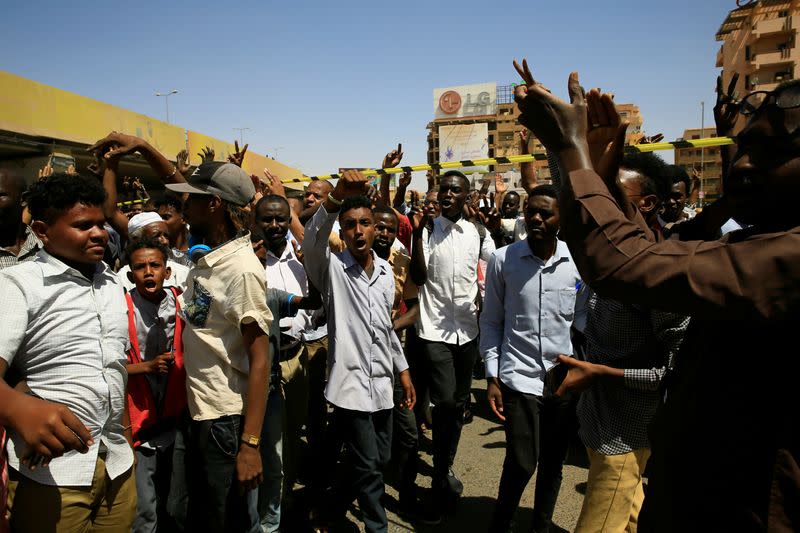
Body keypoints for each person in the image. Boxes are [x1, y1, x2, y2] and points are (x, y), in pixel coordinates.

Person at [512, 60, 800, 531]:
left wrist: (569, 146)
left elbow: (625, 261)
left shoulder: (786, 260)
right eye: (742, 148)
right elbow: (649, 249)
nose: (745, 164)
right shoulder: (755, 242)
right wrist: (595, 168)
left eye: (770, 151)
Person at [0, 172, 136, 531]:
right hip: (50, 476)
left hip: (118, 466)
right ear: (43, 231)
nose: (99, 233)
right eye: (82, 225)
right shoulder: (18, 284)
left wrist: (127, 441)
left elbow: (113, 369)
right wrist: (18, 410)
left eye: (102, 223)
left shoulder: (110, 281)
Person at [302, 171, 415, 533]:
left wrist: (403, 370)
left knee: (379, 459)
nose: (359, 231)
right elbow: (313, 239)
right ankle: (375, 527)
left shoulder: (384, 272)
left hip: (383, 383)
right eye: (350, 225)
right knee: (370, 471)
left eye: (365, 223)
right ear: (344, 231)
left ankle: (330, 507)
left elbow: (384, 329)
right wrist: (334, 198)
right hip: (350, 388)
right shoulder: (332, 270)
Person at [163, 161, 273, 533]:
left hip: (224, 423)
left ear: (214, 204)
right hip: (199, 414)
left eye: (191, 200)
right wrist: (144, 148)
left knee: (226, 521)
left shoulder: (241, 269)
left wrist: (250, 445)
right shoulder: (208, 259)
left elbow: (261, 360)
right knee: (194, 515)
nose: (183, 206)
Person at [480, 185, 586, 533]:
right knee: (522, 462)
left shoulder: (577, 262)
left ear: (561, 218)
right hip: (518, 376)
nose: (537, 219)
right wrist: (492, 376)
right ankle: (503, 521)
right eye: (532, 212)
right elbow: (492, 321)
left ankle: (541, 524)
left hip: (562, 380)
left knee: (554, 463)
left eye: (546, 213)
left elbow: (582, 320)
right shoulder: (502, 259)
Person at [409, 170, 496, 521]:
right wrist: (417, 233)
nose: (447, 194)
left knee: (458, 406)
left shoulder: (476, 232)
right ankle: (440, 474)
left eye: (454, 190)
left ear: (466, 196)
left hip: (468, 332)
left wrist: (490, 227)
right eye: (443, 189)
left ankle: (444, 468)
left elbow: (496, 264)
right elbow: (418, 277)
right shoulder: (430, 230)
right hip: (434, 332)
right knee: (444, 402)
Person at [251, 193, 324, 532]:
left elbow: (315, 304)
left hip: (298, 357)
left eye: (282, 218)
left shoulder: (301, 260)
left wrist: (309, 264)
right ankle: (263, 512)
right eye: (267, 219)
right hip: (260, 367)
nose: (275, 226)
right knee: (263, 442)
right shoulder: (249, 263)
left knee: (293, 436)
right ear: (256, 222)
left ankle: (281, 500)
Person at [123, 238, 189, 533]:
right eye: (140, 267)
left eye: (155, 265)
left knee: (176, 503)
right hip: (140, 425)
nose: (148, 272)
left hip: (176, 421)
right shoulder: (122, 310)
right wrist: (145, 367)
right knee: (145, 510)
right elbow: (109, 365)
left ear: (167, 271)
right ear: (130, 274)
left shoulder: (182, 303)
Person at [371, 204, 423, 518]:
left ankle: (405, 492)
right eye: (380, 227)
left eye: (391, 229)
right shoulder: (352, 258)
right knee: (369, 435)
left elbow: (414, 309)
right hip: (362, 361)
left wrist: (393, 326)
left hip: (394, 359)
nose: (385, 234)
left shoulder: (401, 262)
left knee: (408, 433)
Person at [154, 193, 192, 265]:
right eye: (158, 218)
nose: (160, 222)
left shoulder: (197, 248)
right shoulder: (157, 251)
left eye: (166, 217)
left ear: (183, 219)